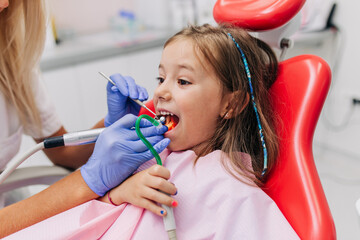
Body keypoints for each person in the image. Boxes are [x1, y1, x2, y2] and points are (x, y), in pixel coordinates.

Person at [6, 24, 301, 239]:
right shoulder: (151, 159)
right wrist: (117, 194)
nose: (159, 91)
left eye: (182, 81)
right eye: (160, 77)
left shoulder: (230, 188)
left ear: (230, 103)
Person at [0, 0, 176, 237]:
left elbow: (63, 154)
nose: (5, 4)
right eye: (161, 79)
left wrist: (109, 125)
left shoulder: (11, 63)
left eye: (183, 81)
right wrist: (90, 182)